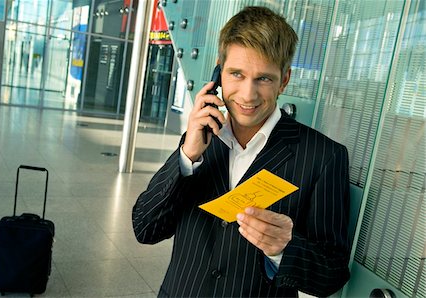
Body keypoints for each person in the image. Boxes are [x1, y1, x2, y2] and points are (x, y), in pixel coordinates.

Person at [132, 6, 351, 297]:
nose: (248, 95)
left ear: (284, 80)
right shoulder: (200, 140)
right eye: (236, 74)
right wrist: (187, 156)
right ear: (218, 72)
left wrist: (284, 250)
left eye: (264, 78)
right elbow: (145, 229)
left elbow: (333, 273)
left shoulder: (323, 157)